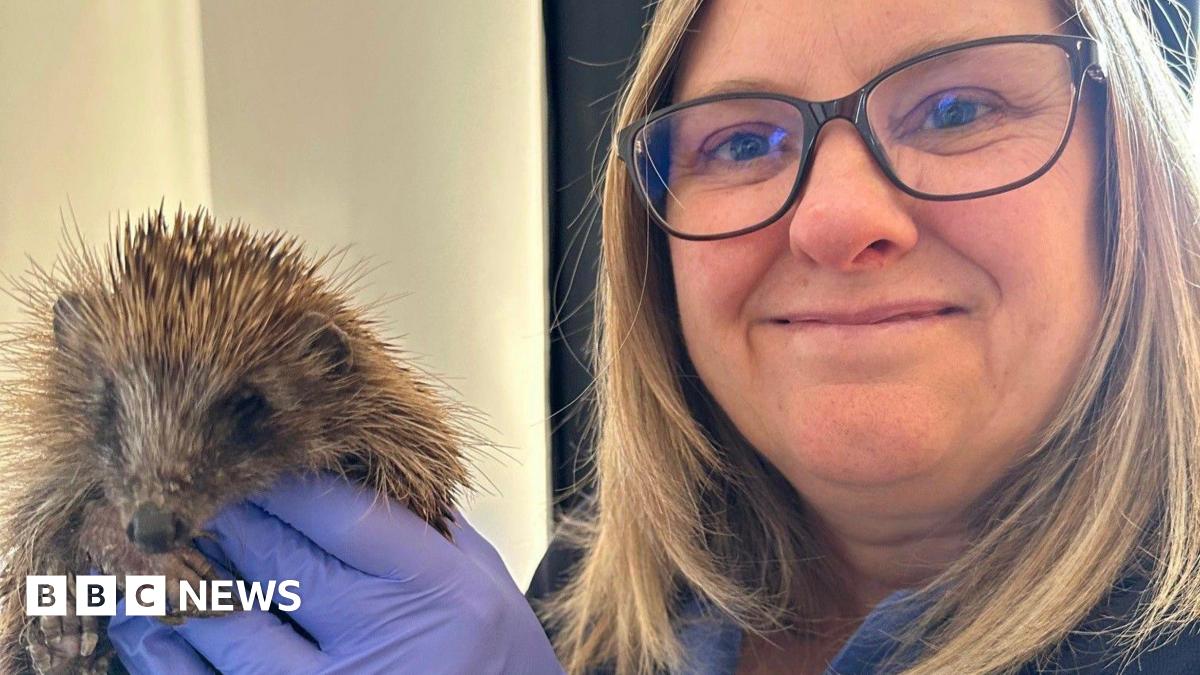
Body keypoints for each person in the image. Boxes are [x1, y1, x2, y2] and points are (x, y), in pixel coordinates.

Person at [109, 0, 1200, 672]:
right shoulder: (581, 599)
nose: (833, 218)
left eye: (957, 111)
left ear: (1133, 167)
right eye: (743, 142)